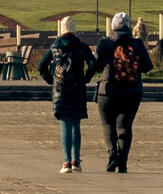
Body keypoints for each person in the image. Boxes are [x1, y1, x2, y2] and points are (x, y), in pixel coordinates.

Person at [95, 12, 151, 174]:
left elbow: (96, 66)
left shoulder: (105, 43)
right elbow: (147, 67)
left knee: (108, 125)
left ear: (113, 26)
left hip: (107, 90)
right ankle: (123, 164)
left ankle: (112, 153)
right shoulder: (137, 44)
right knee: (125, 126)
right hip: (132, 91)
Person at [38, 15, 94, 174]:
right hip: (77, 90)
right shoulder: (82, 47)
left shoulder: (55, 46)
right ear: (75, 30)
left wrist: (51, 81)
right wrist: (86, 78)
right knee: (76, 125)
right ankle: (76, 161)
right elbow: (93, 64)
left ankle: (66, 162)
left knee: (65, 125)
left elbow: (41, 66)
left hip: (60, 91)